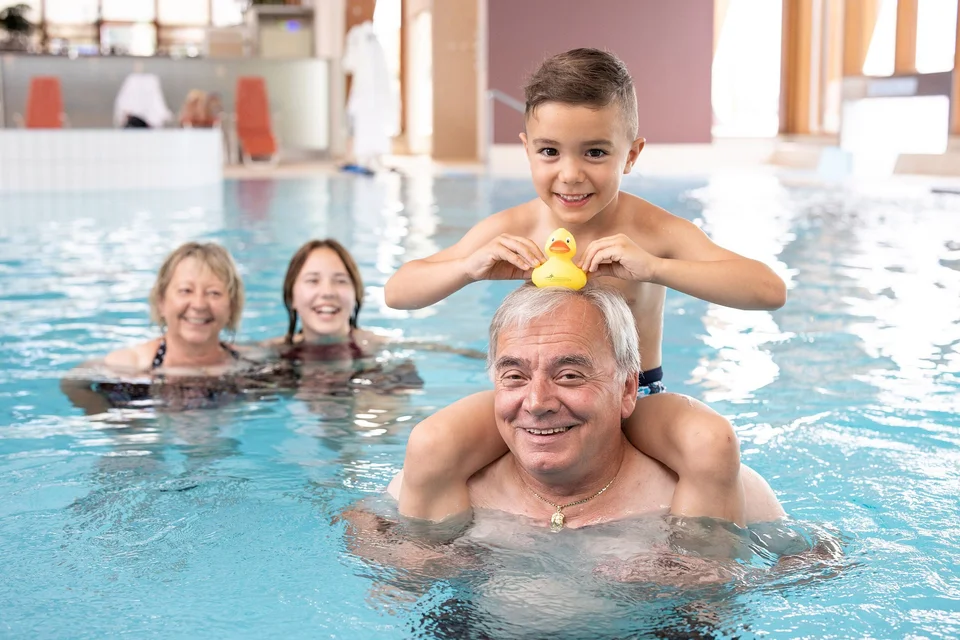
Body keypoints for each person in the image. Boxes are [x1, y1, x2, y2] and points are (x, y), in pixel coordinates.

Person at [382, 48, 787, 521]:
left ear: (631, 154)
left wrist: (655, 267)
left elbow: (767, 289)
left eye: (595, 152)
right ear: (527, 149)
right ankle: (442, 584)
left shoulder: (651, 231)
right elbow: (398, 291)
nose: (570, 175)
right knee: (433, 442)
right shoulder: (514, 226)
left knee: (710, 442)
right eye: (549, 151)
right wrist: (468, 267)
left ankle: (697, 586)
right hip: (542, 399)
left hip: (639, 402)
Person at [387, 283, 785, 531]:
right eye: (515, 376)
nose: (537, 402)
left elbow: (813, 569)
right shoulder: (439, 485)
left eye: (570, 376)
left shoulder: (714, 494)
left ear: (629, 389)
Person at [61, 242, 248, 412]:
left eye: (214, 293)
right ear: (161, 302)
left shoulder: (249, 362)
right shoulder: (131, 366)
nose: (199, 305)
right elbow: (72, 382)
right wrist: (105, 417)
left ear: (232, 306)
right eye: (186, 291)